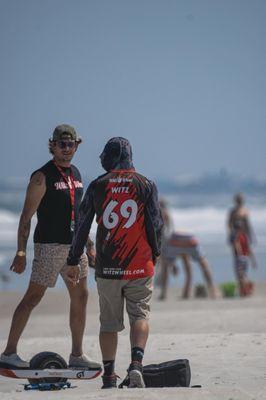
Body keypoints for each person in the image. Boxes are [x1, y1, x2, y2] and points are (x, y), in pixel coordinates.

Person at [0, 124, 100, 370]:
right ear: (52, 145)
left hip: (74, 250)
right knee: (33, 297)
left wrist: (89, 244)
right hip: (49, 247)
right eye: (62, 144)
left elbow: (80, 213)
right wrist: (21, 252)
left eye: (71, 144)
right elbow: (25, 218)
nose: (67, 149)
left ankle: (76, 354)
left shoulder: (76, 173)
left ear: (77, 145)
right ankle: (9, 352)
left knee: (82, 296)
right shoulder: (41, 176)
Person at [66, 137, 163, 389]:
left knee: (108, 323)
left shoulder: (98, 185)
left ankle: (109, 375)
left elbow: (82, 225)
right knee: (140, 315)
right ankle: (136, 366)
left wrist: (74, 259)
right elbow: (155, 223)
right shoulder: (146, 184)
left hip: (108, 267)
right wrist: (156, 251)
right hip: (140, 265)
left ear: (109, 157)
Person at [158, 199, 216, 300]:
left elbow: (165, 237)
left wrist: (172, 264)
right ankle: (211, 291)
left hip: (175, 241)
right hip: (189, 238)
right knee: (199, 264)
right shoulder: (168, 215)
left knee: (165, 267)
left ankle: (164, 294)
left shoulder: (160, 215)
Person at [228, 193, 257, 296]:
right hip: (236, 236)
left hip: (243, 236)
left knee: (240, 263)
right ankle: (243, 288)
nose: (240, 201)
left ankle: (244, 288)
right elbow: (229, 225)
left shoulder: (245, 211)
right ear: (236, 200)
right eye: (239, 199)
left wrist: (251, 237)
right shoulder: (232, 211)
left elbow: (248, 225)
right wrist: (230, 237)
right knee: (238, 262)